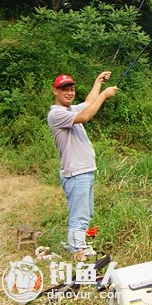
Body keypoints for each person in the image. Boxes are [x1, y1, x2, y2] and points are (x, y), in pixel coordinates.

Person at [47, 72, 118, 261]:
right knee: (79, 215)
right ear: (55, 91)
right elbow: (86, 115)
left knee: (86, 213)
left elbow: (88, 103)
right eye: (64, 89)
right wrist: (104, 95)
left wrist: (98, 82)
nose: (69, 93)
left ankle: (81, 245)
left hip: (84, 170)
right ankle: (77, 250)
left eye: (71, 89)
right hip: (76, 173)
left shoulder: (69, 110)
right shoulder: (56, 114)